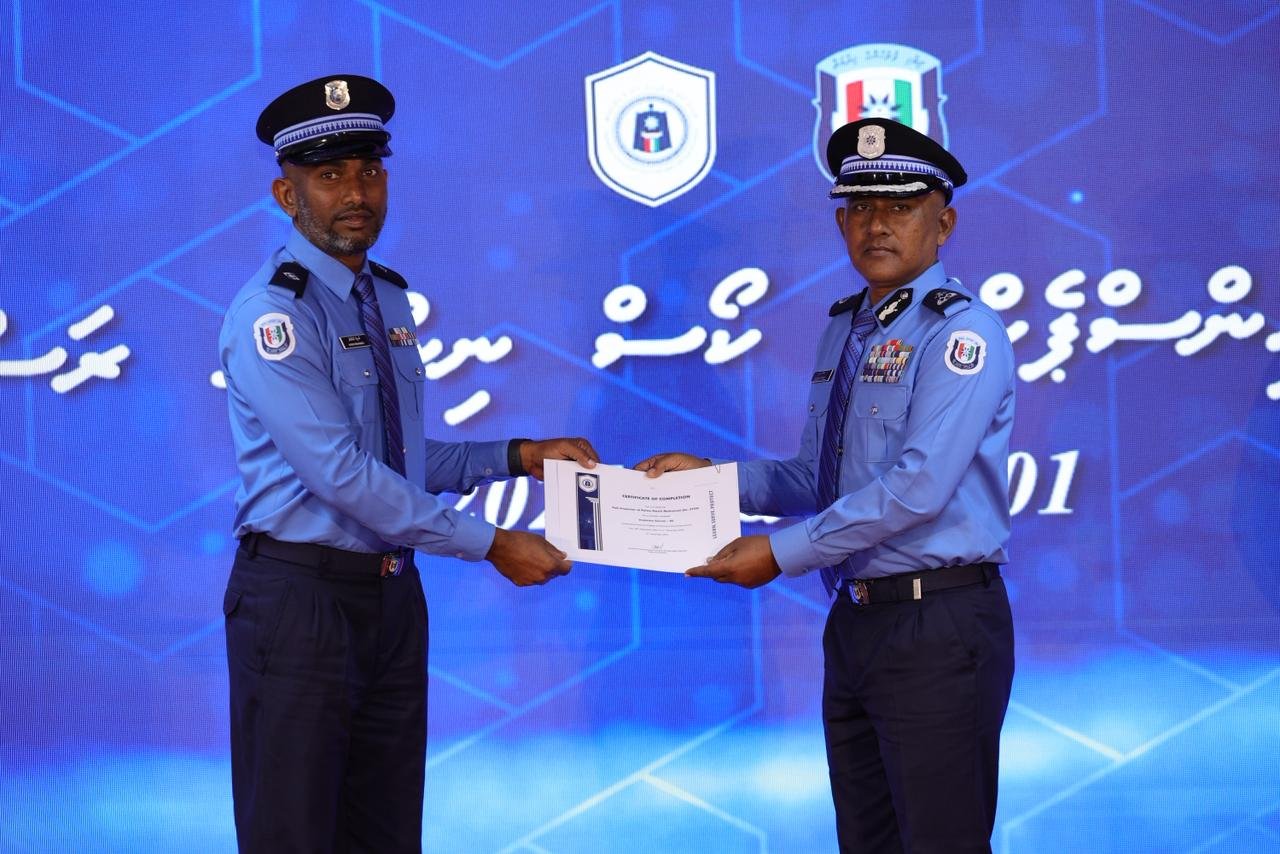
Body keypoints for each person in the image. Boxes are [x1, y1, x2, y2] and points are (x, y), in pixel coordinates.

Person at [218, 74, 598, 853]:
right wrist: (491, 543)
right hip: (301, 606)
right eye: (330, 176)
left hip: (390, 601)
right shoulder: (273, 316)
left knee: (386, 835)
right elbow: (342, 477)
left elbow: (392, 459)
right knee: (295, 837)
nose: (356, 193)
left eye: (370, 170)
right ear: (287, 195)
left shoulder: (385, 297)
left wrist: (518, 456)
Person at [637, 118, 1016, 853]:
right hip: (857, 622)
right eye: (861, 208)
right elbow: (820, 478)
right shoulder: (847, 328)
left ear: (943, 223)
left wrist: (778, 554)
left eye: (900, 206)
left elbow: (915, 490)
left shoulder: (962, 335)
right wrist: (711, 483)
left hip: (937, 625)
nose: (877, 224)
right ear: (842, 222)